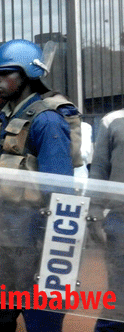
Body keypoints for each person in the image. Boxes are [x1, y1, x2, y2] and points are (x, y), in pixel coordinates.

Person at [0, 39, 78, 332]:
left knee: (41, 321)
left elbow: (60, 192)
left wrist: (54, 252)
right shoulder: (6, 117)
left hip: (33, 243)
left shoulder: (46, 120)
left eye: (3, 74)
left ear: (26, 76)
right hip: (0, 238)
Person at [89, 109, 124, 332]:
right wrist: (94, 211)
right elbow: (99, 169)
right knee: (120, 287)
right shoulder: (113, 120)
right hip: (121, 218)